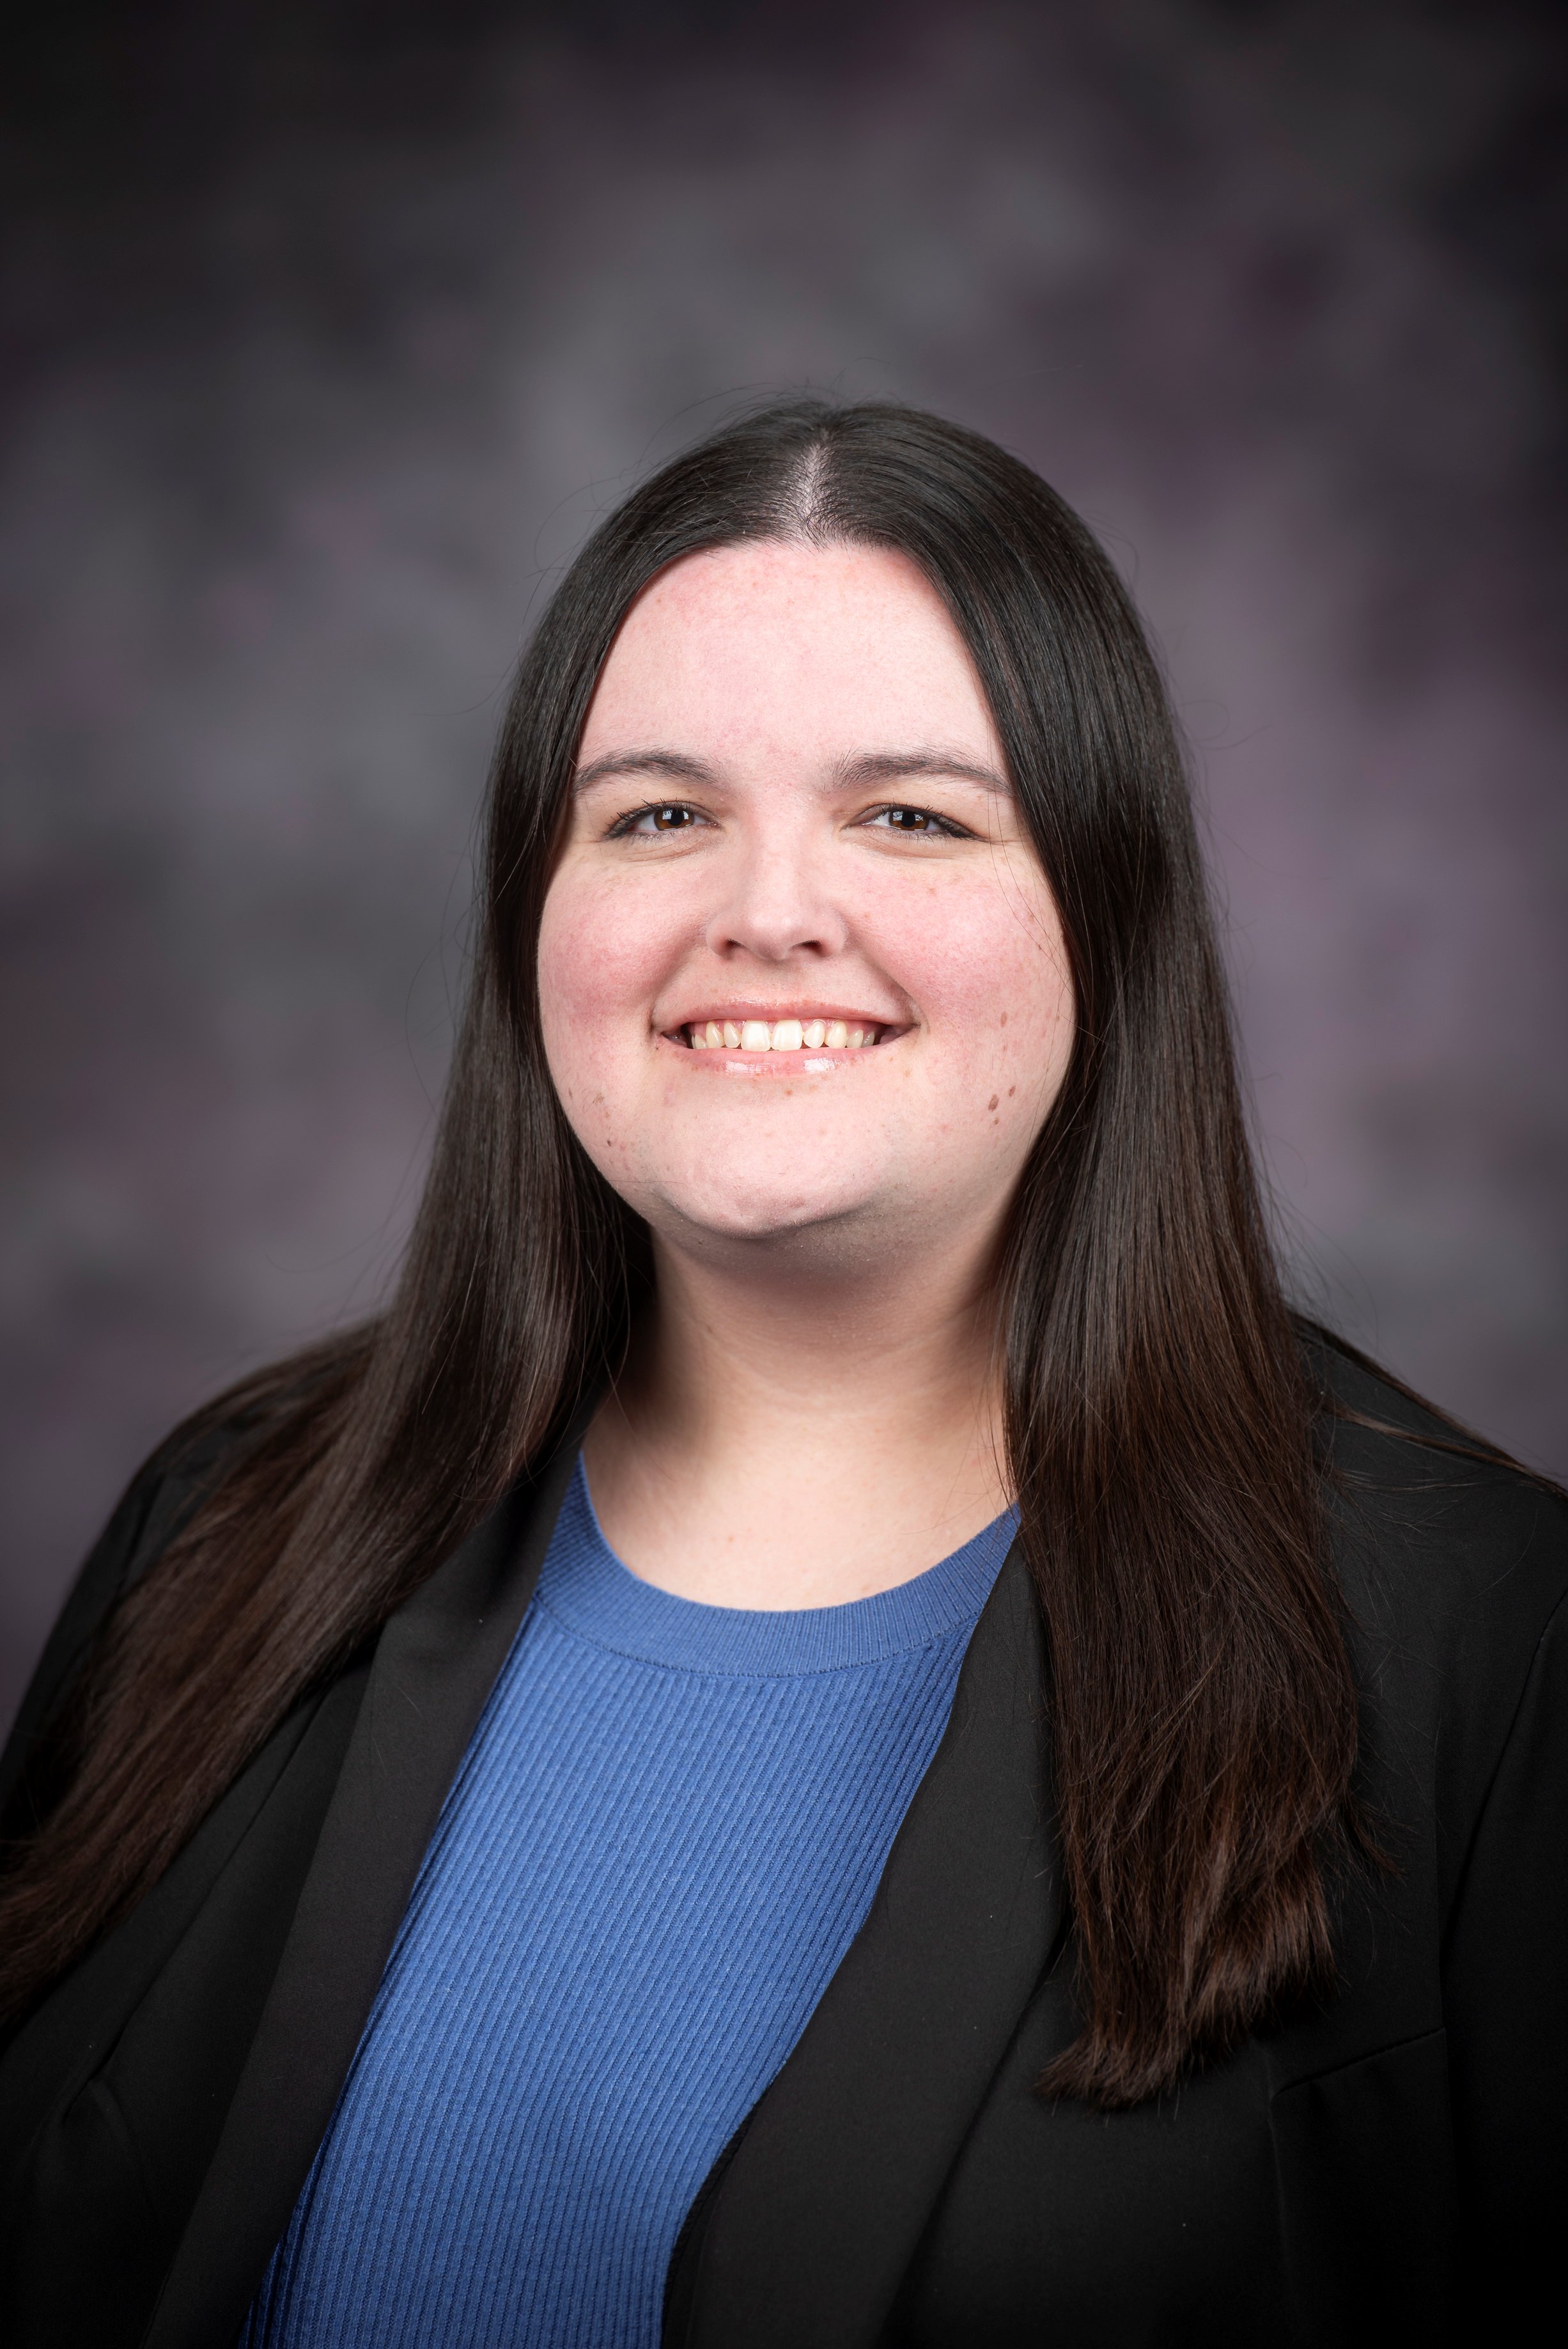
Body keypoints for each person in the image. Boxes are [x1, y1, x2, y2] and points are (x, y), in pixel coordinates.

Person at [0, 400, 1562, 2349]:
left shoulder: (1487, 1646)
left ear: (1108, 908)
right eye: (658, 813)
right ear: (532, 918)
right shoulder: (221, 1526)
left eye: (911, 812)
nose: (764, 909)